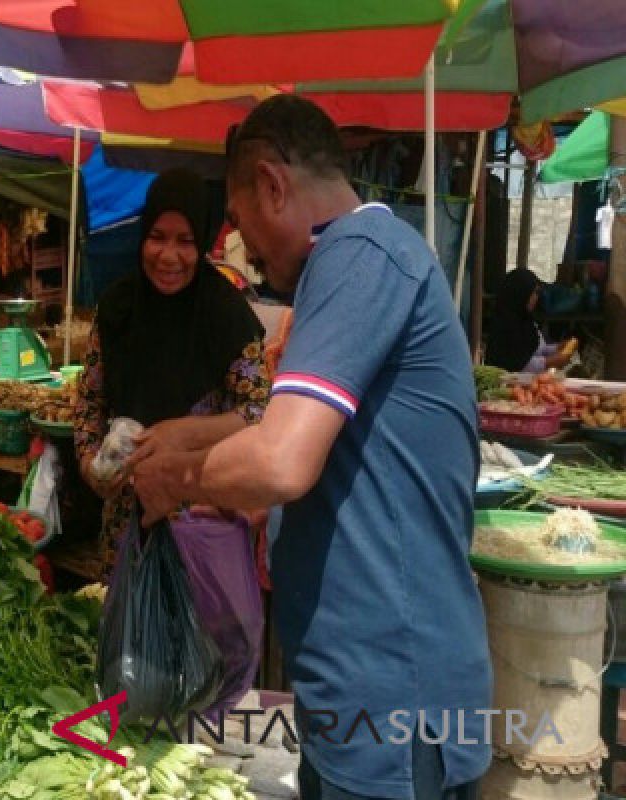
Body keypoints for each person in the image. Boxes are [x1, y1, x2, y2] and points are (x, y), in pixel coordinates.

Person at [130, 96, 491, 800]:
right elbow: (293, 428)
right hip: (360, 695)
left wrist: (180, 477)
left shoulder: (360, 254)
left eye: (244, 225)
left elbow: (279, 460)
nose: (249, 250)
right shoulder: (363, 260)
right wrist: (191, 435)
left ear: (272, 184)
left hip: (394, 704)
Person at [73, 169, 269, 578]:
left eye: (185, 241)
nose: (168, 256)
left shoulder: (228, 317)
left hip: (200, 521)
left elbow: (262, 413)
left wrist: (181, 433)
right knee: (128, 636)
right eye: (157, 237)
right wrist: (92, 466)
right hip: (124, 526)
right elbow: (89, 403)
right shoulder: (117, 309)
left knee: (196, 640)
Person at [485, 267, 577, 373]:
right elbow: (515, 364)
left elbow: (539, 350)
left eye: (537, 293)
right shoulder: (504, 327)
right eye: (533, 292)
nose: (535, 297)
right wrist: (549, 362)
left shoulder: (527, 321)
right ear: (519, 293)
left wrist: (559, 347)